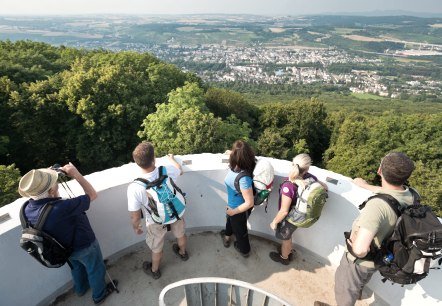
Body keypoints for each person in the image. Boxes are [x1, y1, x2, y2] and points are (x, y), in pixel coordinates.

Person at [18, 163, 117, 305]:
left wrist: (49, 179)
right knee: (95, 268)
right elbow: (92, 195)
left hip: (63, 250)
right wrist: (76, 174)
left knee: (76, 268)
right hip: (84, 245)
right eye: (53, 182)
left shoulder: (26, 208)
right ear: (51, 190)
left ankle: (80, 289)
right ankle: (99, 295)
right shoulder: (61, 208)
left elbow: (49, 199)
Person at [334, 152, 416, 306]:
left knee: (344, 289)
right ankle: (357, 292)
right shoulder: (411, 195)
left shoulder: (377, 207)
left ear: (379, 170)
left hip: (359, 262)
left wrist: (353, 245)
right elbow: (391, 193)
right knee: (361, 281)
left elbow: (360, 250)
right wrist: (365, 186)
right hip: (382, 256)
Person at [127, 142, 188, 280]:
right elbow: (180, 170)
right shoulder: (166, 170)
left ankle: (155, 270)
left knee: (157, 246)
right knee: (180, 234)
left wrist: (136, 227)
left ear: (136, 163)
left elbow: (135, 216)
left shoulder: (135, 187)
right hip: (175, 212)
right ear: (153, 158)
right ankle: (183, 253)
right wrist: (171, 159)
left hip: (155, 220)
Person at [268, 153, 328, 265]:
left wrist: (274, 222)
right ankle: (287, 250)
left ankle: (284, 257)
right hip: (301, 215)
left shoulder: (288, 186)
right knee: (288, 236)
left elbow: (284, 211)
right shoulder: (311, 178)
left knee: (286, 238)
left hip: (290, 217)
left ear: (292, 164)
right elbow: (325, 187)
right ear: (307, 168)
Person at [221, 140, 256, 257]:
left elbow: (249, 202)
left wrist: (233, 211)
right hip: (232, 205)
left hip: (239, 210)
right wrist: (232, 152)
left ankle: (245, 251)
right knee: (229, 221)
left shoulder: (244, 178)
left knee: (241, 232)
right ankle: (227, 237)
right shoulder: (239, 165)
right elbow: (239, 154)